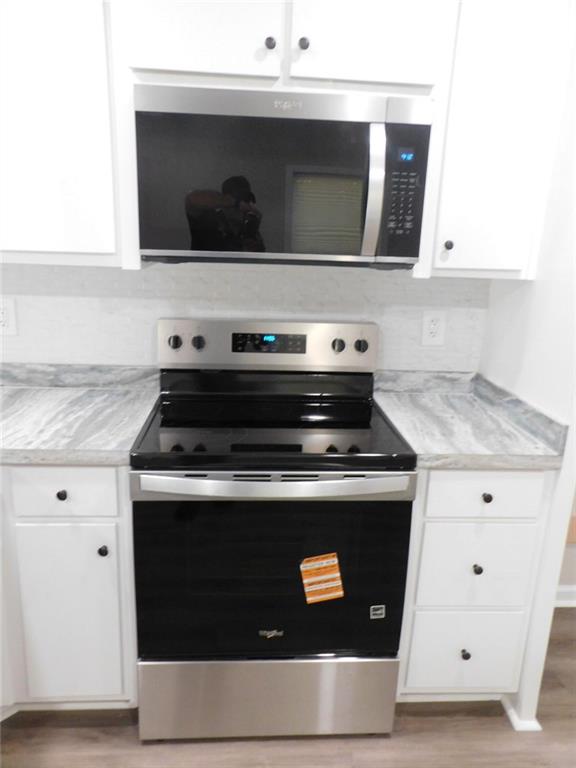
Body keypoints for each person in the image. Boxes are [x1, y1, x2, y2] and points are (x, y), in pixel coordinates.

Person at [184, 176, 265, 252]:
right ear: (223, 201)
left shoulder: (248, 227)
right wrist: (235, 202)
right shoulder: (208, 219)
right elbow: (191, 199)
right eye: (240, 200)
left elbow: (255, 260)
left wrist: (253, 230)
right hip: (201, 267)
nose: (242, 207)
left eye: (246, 200)